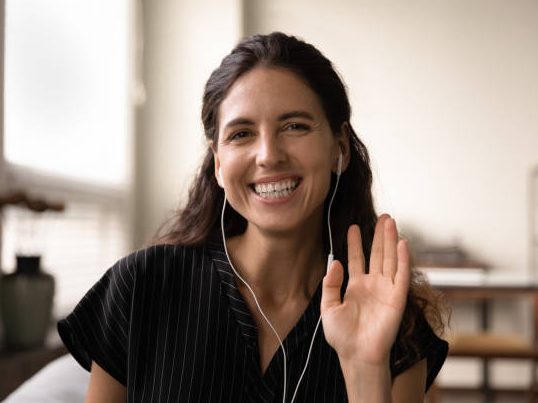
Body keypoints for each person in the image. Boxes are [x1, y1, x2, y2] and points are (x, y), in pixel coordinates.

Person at [58, 32, 448, 402]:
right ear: (218, 164)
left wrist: (366, 369)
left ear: (339, 147)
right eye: (241, 134)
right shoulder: (141, 286)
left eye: (295, 126)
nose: (268, 155)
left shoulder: (388, 317)